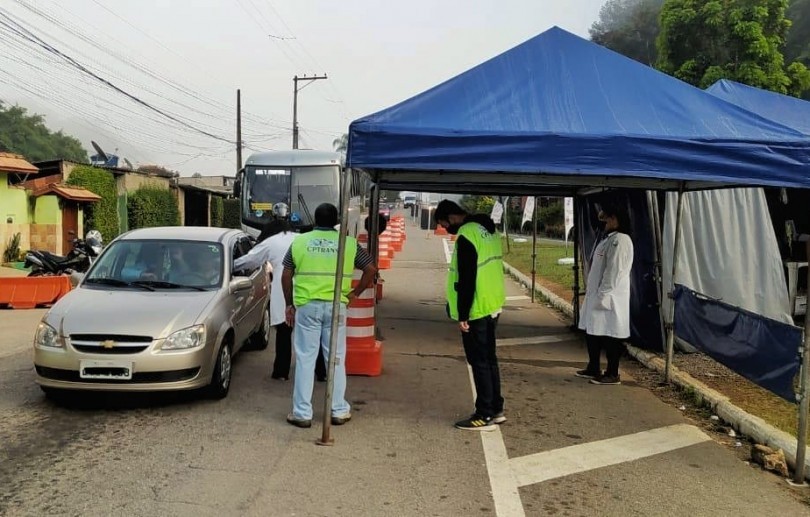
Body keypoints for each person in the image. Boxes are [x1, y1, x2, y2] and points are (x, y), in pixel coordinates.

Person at [281, 203, 377, 428]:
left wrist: (289, 304)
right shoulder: (348, 244)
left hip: (307, 307)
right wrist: (355, 293)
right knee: (335, 358)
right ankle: (338, 410)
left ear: (315, 219)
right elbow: (371, 269)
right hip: (336, 307)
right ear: (336, 221)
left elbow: (286, 274)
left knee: (306, 359)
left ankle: (302, 413)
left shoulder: (300, 242)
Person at [434, 200, 506, 432]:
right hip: (492, 302)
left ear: (452, 217)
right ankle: (496, 408)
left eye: (444, 224)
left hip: (476, 307)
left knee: (479, 361)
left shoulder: (466, 235)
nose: (446, 229)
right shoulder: (488, 229)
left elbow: (466, 278)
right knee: (490, 359)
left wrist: (463, 314)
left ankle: (484, 413)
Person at [234, 218, 327, 381]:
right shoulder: (302, 239)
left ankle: (281, 372)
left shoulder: (271, 242)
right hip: (309, 290)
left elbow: (250, 260)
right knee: (311, 334)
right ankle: (321, 372)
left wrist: (231, 265)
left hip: (283, 292)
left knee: (284, 334)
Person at [576, 199, 634, 385]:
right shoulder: (608, 239)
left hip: (610, 298)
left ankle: (612, 373)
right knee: (593, 331)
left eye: (607, 219)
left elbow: (613, 271)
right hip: (598, 295)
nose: (604, 223)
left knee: (610, 335)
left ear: (615, 219)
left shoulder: (620, 240)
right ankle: (593, 366)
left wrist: (603, 294)